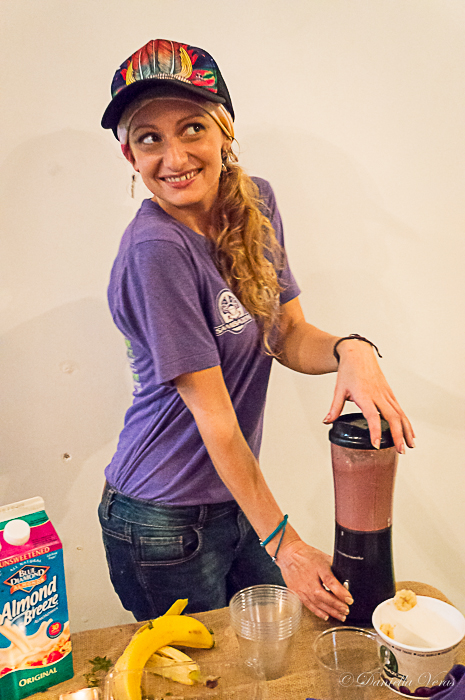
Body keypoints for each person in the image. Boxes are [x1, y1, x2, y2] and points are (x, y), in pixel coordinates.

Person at [99, 38, 415, 624]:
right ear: (129, 156)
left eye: (192, 128)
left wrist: (352, 350)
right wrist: (287, 546)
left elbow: (287, 333)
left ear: (225, 130)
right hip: (161, 520)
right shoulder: (155, 250)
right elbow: (217, 421)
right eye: (149, 138)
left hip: (236, 498)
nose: (174, 157)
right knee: (207, 670)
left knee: (281, 645)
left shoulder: (255, 202)